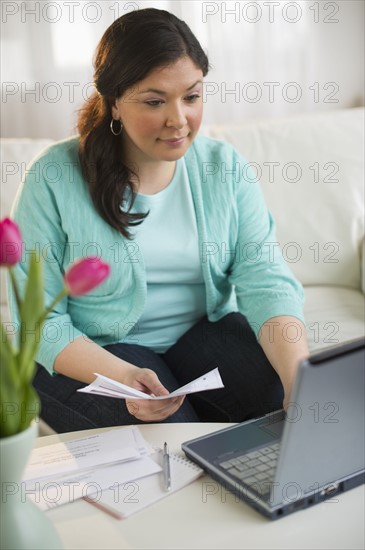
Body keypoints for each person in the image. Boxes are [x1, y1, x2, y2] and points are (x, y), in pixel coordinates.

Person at [10, 8, 309, 433]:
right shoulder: (53, 176)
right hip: (96, 351)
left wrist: (299, 372)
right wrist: (124, 377)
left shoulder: (223, 167)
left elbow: (266, 279)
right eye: (154, 101)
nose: (178, 120)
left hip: (201, 339)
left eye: (191, 96)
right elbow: (38, 321)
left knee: (285, 401)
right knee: (168, 437)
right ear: (113, 102)